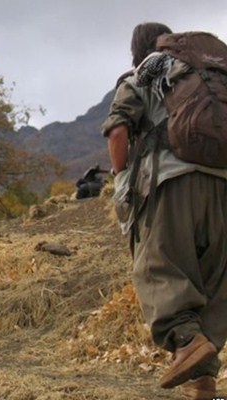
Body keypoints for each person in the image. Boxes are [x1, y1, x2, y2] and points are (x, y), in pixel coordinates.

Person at [101, 22, 227, 398]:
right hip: (224, 188)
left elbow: (119, 131)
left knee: (158, 269)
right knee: (213, 284)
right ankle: (203, 381)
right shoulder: (210, 75)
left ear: (136, 52)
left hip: (172, 186)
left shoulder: (147, 72)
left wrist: (121, 174)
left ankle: (186, 342)